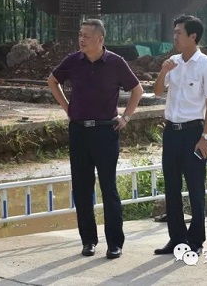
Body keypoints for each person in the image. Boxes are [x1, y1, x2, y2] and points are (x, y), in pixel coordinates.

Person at [47, 19, 143, 260]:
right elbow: (52, 81)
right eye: (80, 35)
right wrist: (67, 108)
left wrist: (126, 117)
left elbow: (137, 89)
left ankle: (115, 243)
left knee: (108, 188)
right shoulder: (73, 61)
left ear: (100, 39)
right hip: (79, 131)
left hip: (105, 132)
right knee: (82, 188)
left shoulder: (115, 62)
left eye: (87, 36)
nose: (81, 39)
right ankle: (88, 241)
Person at [152, 15, 207, 255]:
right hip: (172, 131)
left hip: (193, 133)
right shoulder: (173, 62)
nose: (175, 37)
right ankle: (176, 238)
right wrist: (163, 72)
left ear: (193, 36)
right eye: (174, 32)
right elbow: (158, 92)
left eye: (179, 33)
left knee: (195, 188)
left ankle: (196, 240)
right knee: (171, 187)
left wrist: (206, 136)